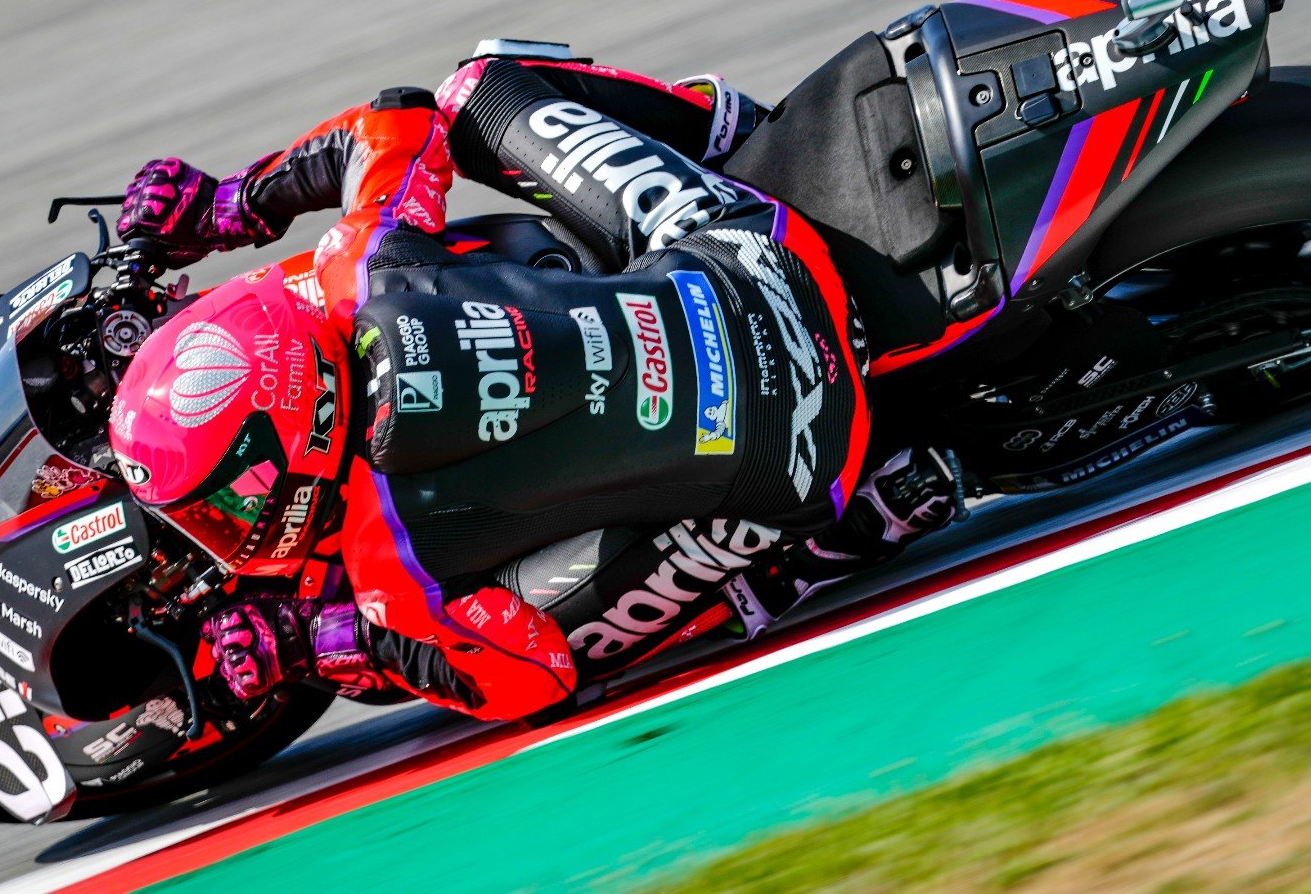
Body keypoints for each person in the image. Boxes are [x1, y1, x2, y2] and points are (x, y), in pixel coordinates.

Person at [109, 45, 964, 722]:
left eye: (223, 505)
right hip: (759, 248)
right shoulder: (365, 266)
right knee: (475, 87)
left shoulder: (388, 568)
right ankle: (730, 135)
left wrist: (322, 643)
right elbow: (399, 120)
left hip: (810, 454)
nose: (219, 526)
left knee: (538, 632)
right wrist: (235, 205)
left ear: (291, 444)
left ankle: (821, 552)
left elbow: (533, 680)